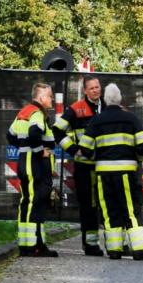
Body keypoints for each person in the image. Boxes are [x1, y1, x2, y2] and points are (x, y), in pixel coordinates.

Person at [79, 83, 143, 261]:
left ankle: (114, 250)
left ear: (105, 100)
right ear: (120, 99)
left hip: (103, 174)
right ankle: (140, 250)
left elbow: (85, 149)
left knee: (109, 211)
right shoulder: (131, 119)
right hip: (126, 173)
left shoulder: (96, 120)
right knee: (130, 210)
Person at [53, 75, 104, 256]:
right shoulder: (76, 109)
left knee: (109, 203)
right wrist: (74, 150)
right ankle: (90, 244)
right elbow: (57, 130)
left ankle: (117, 243)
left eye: (97, 87)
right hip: (85, 166)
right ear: (85, 91)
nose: (96, 90)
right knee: (89, 205)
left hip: (106, 165)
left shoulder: (107, 107)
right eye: (92, 88)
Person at [8, 82, 58, 257]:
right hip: (35, 165)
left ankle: (33, 244)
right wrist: (38, 151)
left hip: (26, 161)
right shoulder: (37, 114)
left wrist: (24, 148)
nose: (51, 99)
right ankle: (32, 246)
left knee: (29, 201)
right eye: (50, 96)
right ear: (42, 97)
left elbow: (10, 135)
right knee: (34, 202)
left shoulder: (24, 112)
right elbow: (35, 133)